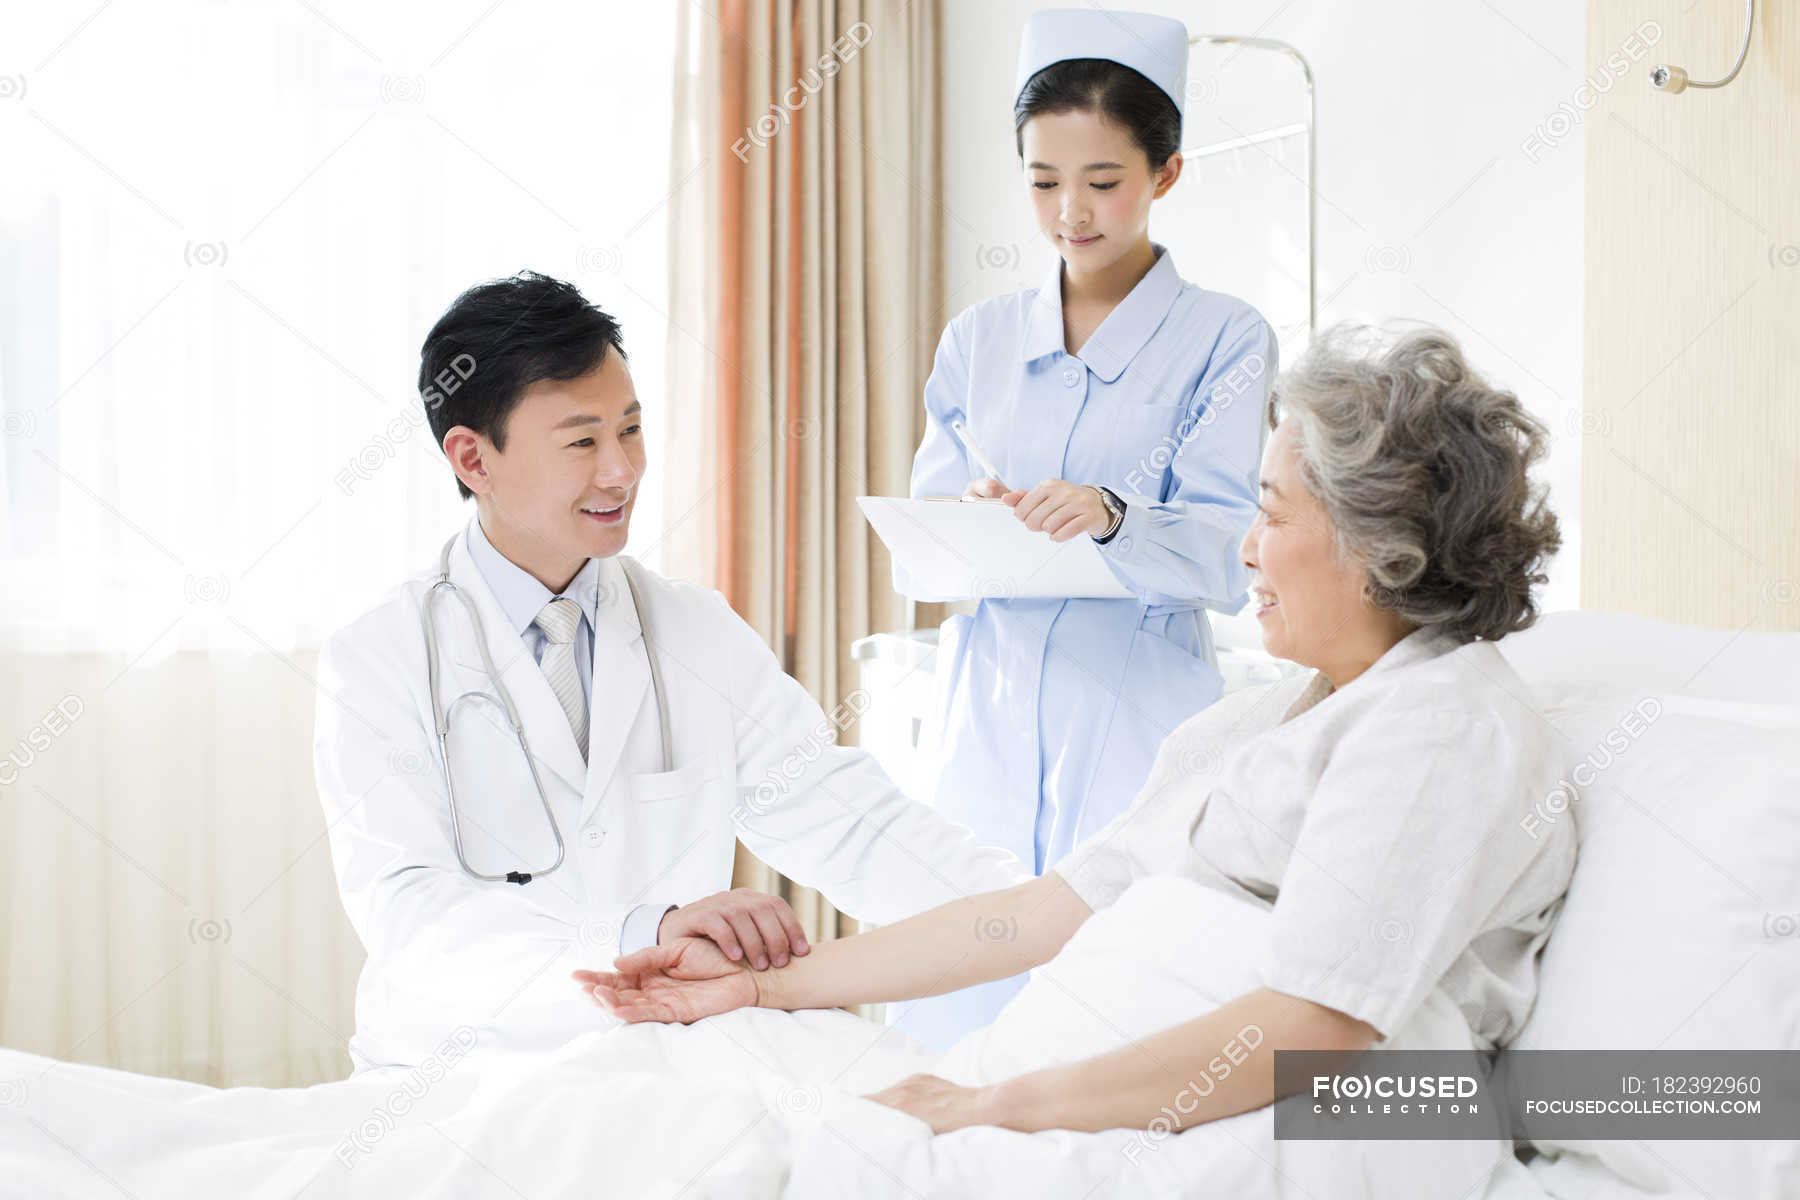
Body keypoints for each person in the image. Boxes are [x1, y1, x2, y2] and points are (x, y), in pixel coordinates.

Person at [579, 325, 1576, 1138]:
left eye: (1269, 514)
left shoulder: (1441, 728)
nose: (1244, 547)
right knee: (668, 1103)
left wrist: (995, 1109)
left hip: (1269, 1123)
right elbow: (1042, 915)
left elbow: (1316, 1022)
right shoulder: (1268, 718)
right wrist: (763, 991)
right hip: (1078, 1082)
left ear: (1375, 548)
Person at [313, 272, 1028, 1073]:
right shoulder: (380, 656)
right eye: (582, 442)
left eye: (632, 430)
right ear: (473, 458)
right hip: (456, 1071)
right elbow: (413, 916)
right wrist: (640, 933)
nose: (621, 471)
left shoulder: (694, 630)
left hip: (662, 1066)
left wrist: (1045, 913)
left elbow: (851, 821)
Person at [896, 7, 1276, 1047]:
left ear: (1167, 174)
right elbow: (926, 552)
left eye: (1103, 181)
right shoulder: (978, 340)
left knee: (1122, 998)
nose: (1071, 211)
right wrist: (968, 525)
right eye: (1042, 180)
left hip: (1140, 714)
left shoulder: (1225, 338)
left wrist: (1114, 516)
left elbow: (1225, 554)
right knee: (964, 995)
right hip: (990, 703)